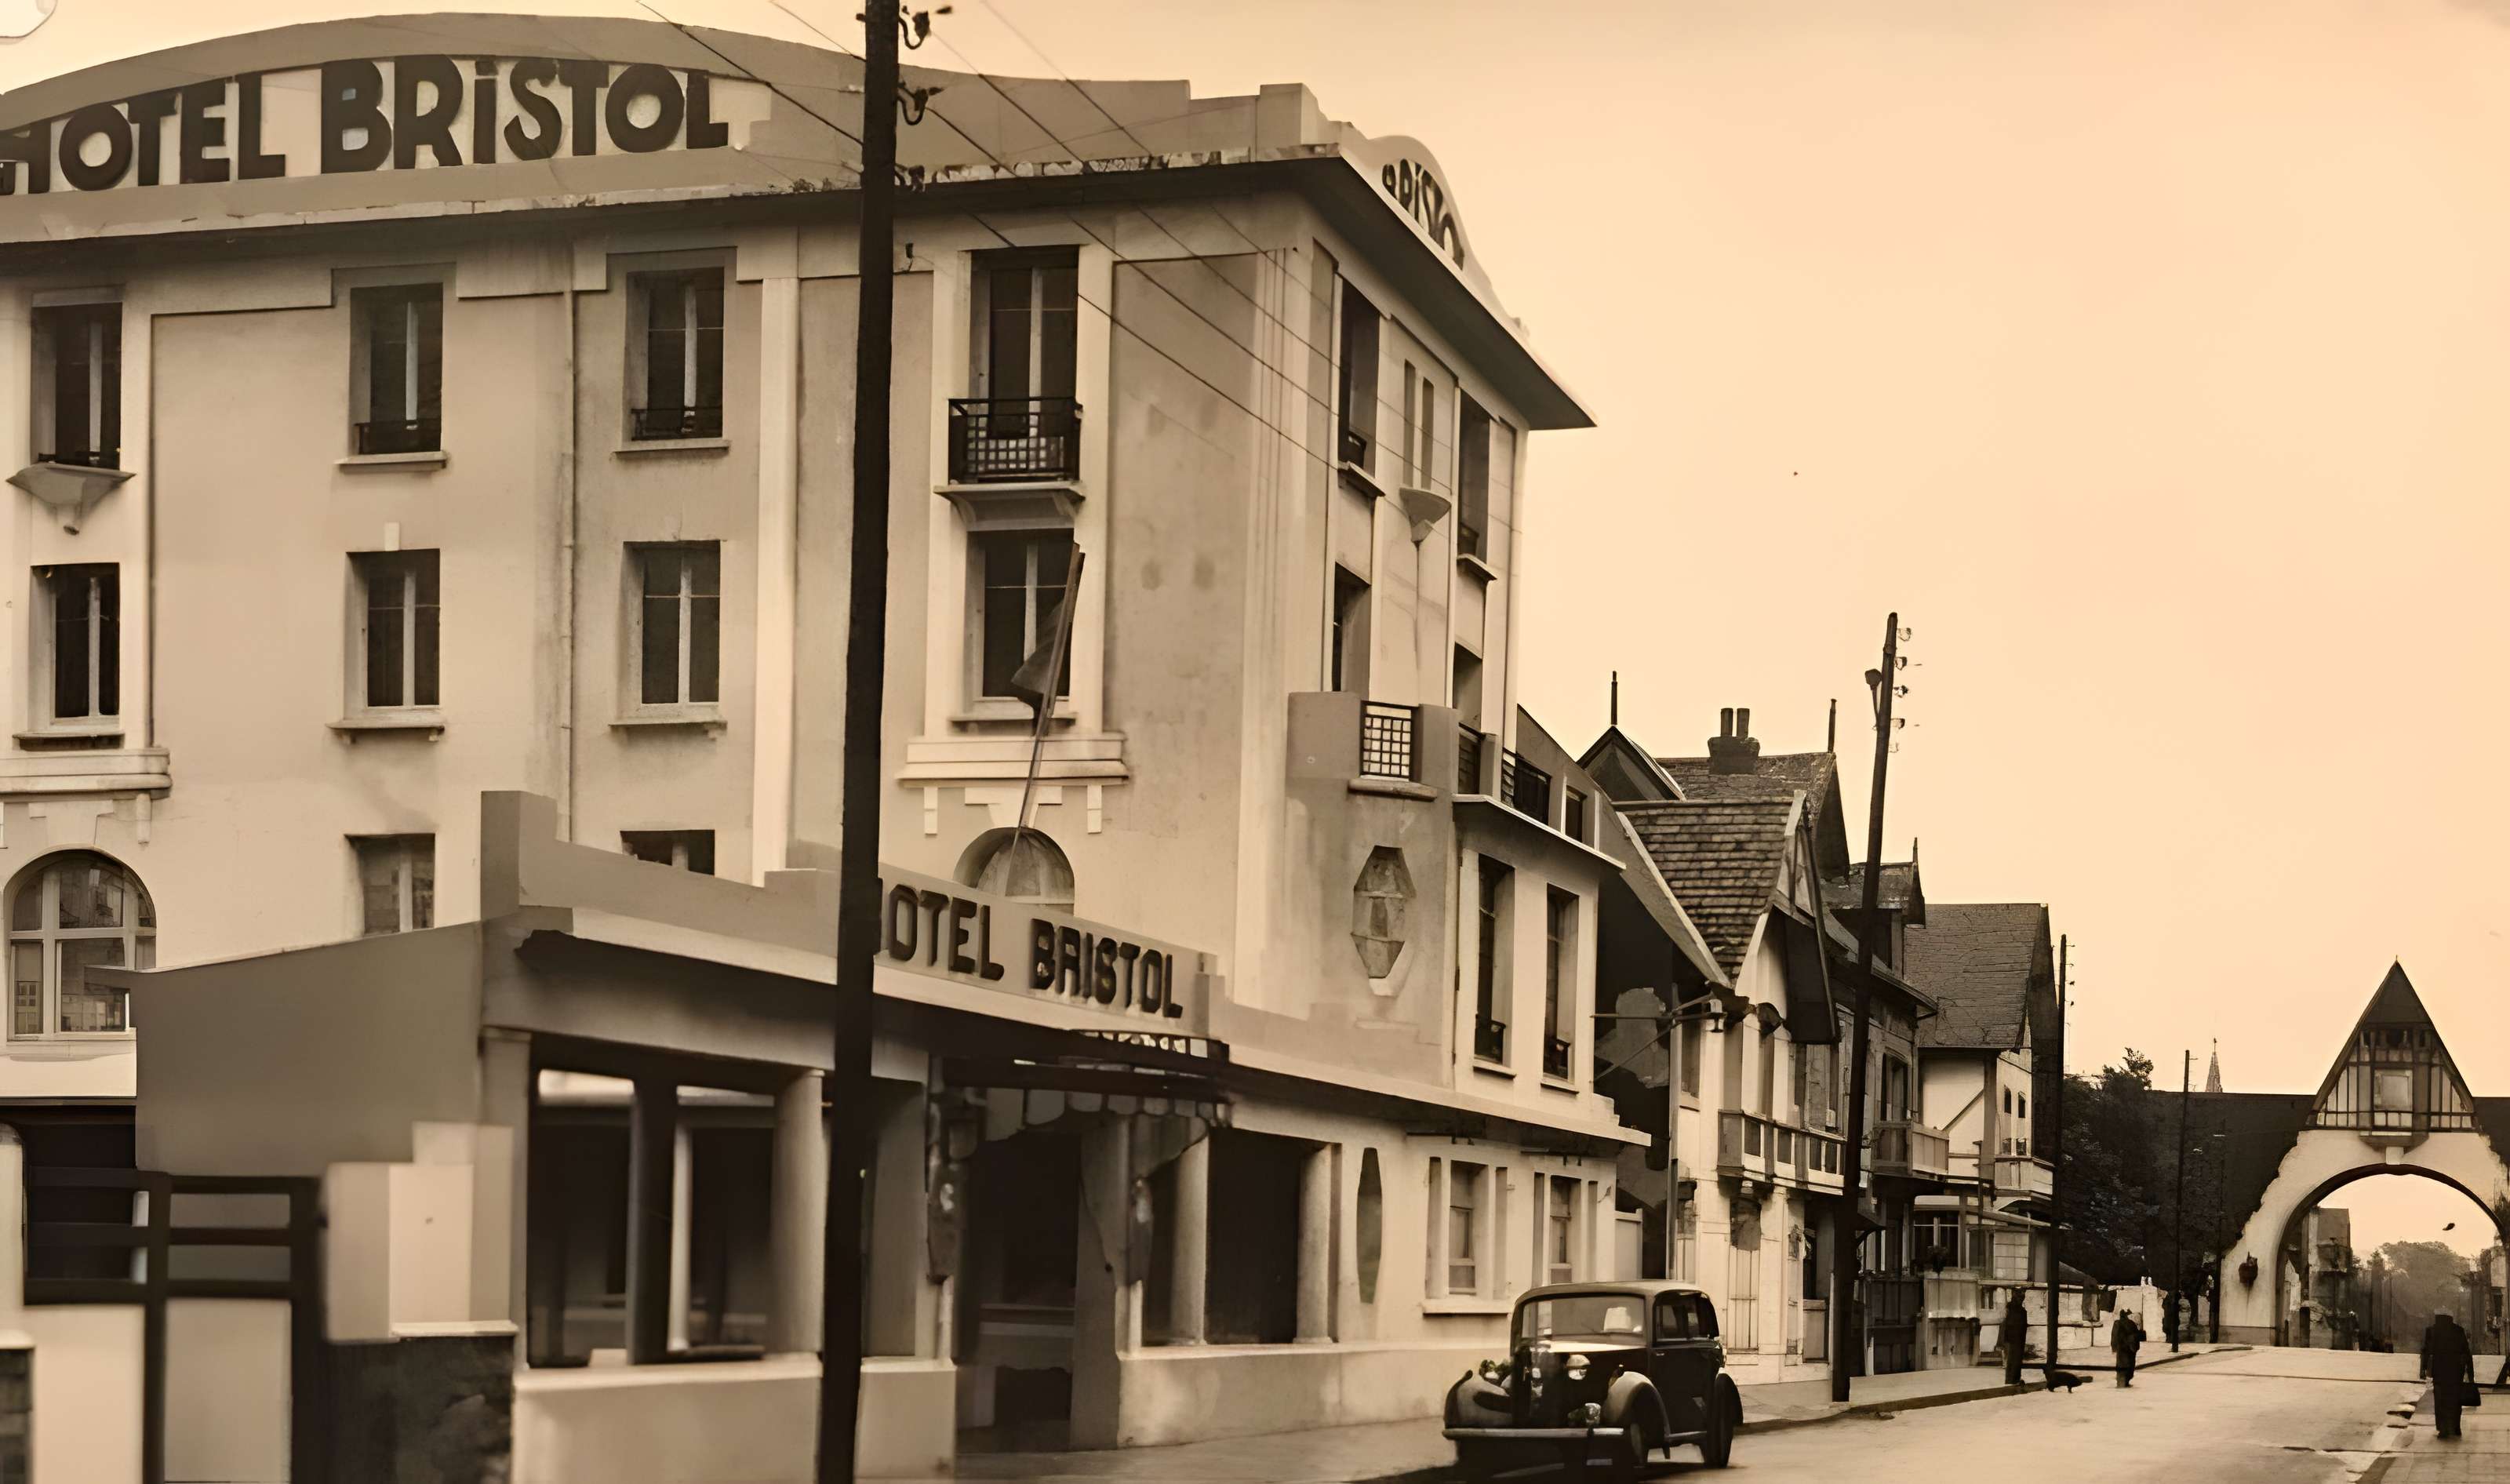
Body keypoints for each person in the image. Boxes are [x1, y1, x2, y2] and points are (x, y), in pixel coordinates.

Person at [2422, 1309, 2477, 1441]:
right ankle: (2455, 1427)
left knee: (2440, 1401)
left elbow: (2427, 1351)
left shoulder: (2432, 1331)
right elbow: (2466, 1352)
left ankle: (2443, 1428)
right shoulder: (2458, 1331)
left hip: (2440, 1372)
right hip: (2455, 1372)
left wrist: (2423, 1369)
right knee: (2455, 1400)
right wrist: (2471, 1373)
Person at [2111, 1307, 2143, 1387]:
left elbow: (2114, 1336)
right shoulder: (2131, 1324)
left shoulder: (2117, 1323)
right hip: (2130, 1349)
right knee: (2130, 1364)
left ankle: (2122, 1381)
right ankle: (2126, 1381)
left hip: (2121, 1349)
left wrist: (2114, 1347)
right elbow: (2136, 1337)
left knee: (2122, 1365)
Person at [2003, 1293, 2029, 1387]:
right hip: (2016, 1339)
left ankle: (2012, 1379)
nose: (2021, 1301)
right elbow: (2017, 1326)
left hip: (2015, 1339)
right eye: (2020, 1299)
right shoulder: (2019, 1312)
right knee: (2014, 1360)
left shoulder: (2013, 1311)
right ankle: (2013, 1379)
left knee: (2013, 1360)